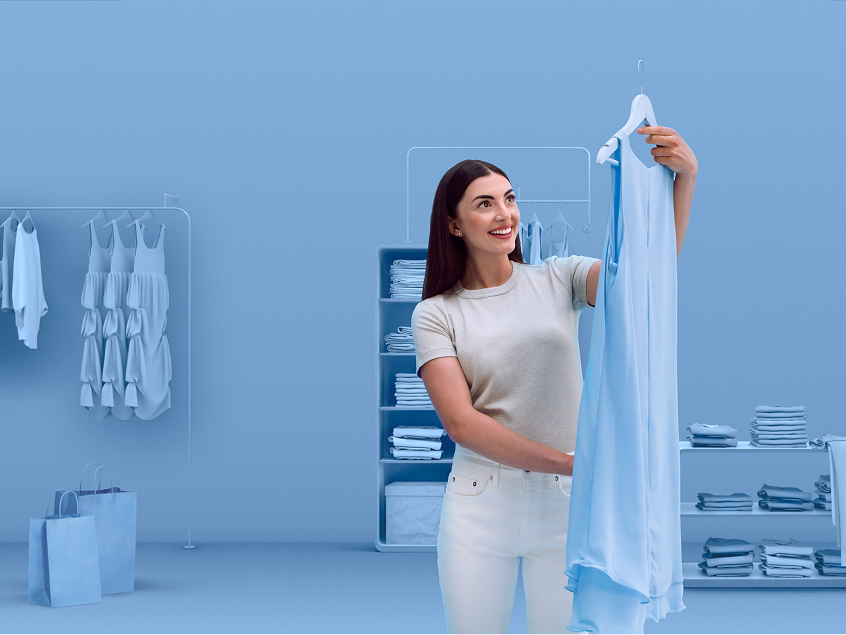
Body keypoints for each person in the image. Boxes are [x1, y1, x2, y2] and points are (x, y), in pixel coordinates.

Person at [410, 126, 698, 635]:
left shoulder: (557, 277)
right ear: (454, 225)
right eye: (485, 204)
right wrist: (574, 462)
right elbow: (462, 424)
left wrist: (685, 182)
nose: (506, 215)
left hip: (566, 507)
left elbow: (645, 283)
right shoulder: (436, 314)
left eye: (510, 198)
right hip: (481, 503)